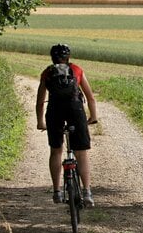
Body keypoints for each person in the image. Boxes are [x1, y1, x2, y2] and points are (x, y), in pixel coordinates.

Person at [36, 43, 99, 206]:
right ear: (68, 57)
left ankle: (57, 191)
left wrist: (40, 122)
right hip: (75, 109)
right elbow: (90, 97)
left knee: (56, 151)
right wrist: (93, 116)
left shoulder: (47, 72)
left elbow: (40, 101)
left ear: (52, 57)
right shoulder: (76, 70)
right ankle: (86, 192)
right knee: (81, 153)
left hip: (55, 110)